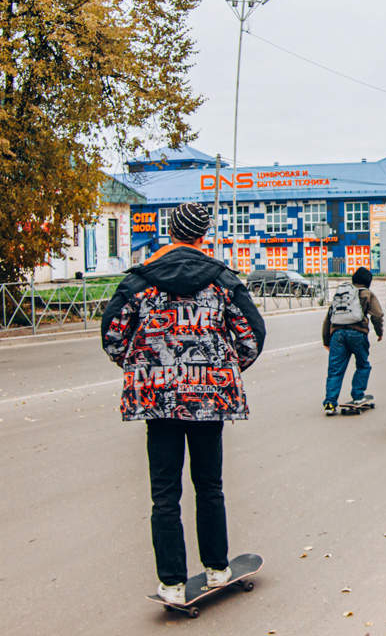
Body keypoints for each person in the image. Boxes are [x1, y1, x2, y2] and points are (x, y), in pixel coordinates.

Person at [101, 202, 265, 606]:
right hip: (208, 400)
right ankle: (216, 569)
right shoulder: (223, 281)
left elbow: (113, 335)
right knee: (209, 486)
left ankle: (172, 583)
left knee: (164, 493)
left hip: (156, 401)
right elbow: (251, 335)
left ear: (171, 233)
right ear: (202, 235)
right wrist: (219, 369)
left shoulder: (139, 282)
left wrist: (144, 367)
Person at [321, 266, 384, 415]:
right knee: (363, 365)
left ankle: (330, 403)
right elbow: (377, 315)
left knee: (335, 370)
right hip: (357, 333)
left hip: (337, 335)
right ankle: (357, 396)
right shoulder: (367, 294)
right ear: (368, 282)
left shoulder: (341, 294)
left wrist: (326, 340)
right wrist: (379, 332)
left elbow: (328, 318)